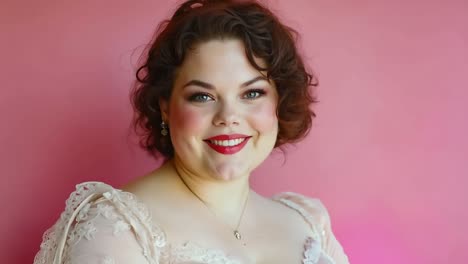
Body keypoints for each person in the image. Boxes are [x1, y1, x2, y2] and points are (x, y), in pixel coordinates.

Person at [34, 0, 349, 263]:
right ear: (166, 108)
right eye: (203, 96)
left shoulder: (308, 223)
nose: (228, 117)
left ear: (280, 101)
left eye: (252, 93)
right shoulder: (117, 226)